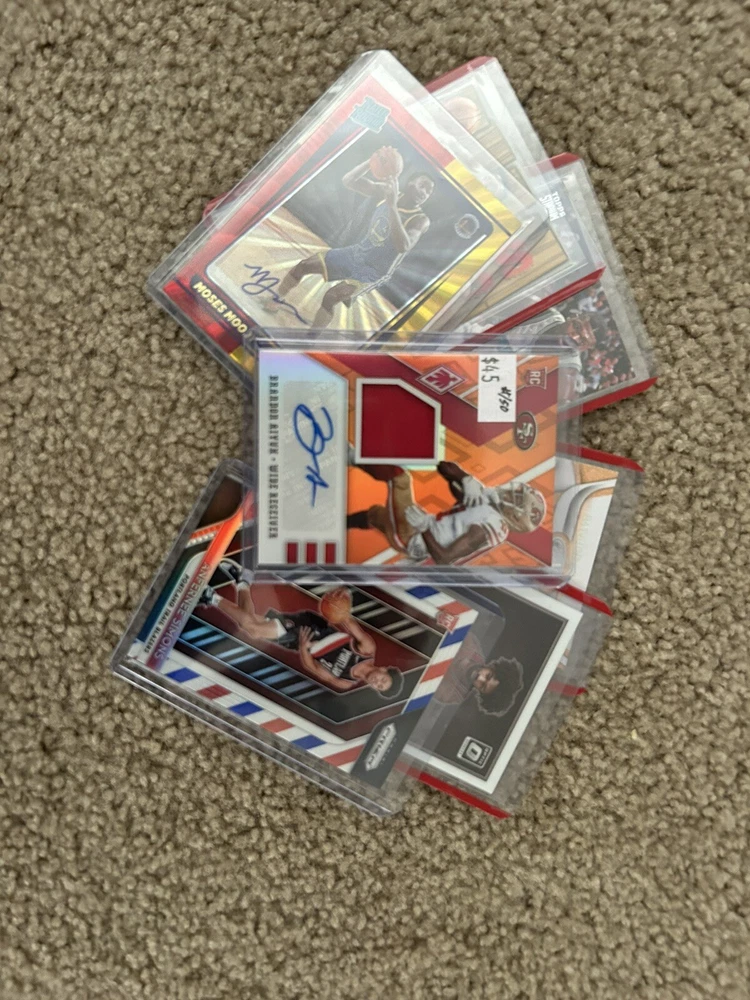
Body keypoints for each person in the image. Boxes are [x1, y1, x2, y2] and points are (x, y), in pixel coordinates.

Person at [267, 154, 434, 327]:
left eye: (429, 191)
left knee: (331, 297)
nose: (425, 193)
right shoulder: (387, 192)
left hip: (374, 270)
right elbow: (349, 181)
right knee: (303, 266)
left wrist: (392, 207)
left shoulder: (420, 219)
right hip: (357, 253)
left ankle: (312, 337)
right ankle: (276, 299)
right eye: (423, 185)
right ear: (410, 182)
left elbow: (403, 246)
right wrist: (370, 162)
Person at [197, 561, 404, 698]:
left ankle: (243, 581)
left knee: (250, 624)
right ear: (384, 669)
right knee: (254, 629)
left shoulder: (346, 683)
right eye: (383, 680)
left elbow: (312, 668)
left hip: (300, 643)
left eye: (379, 687)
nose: (377, 683)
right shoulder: (367, 650)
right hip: (312, 627)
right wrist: (342, 599)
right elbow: (347, 621)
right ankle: (210, 596)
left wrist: (304, 648)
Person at [346, 461, 546, 565]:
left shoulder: (492, 526)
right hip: (422, 528)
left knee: (400, 479)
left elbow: (445, 558)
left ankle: (352, 457)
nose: (510, 493)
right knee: (375, 515)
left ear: (516, 517)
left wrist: (424, 528)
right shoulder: (491, 502)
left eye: (516, 498)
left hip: (415, 538)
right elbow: (444, 467)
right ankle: (339, 524)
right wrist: (466, 478)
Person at [432, 631, 525, 717]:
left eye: (483, 686)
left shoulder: (452, 695)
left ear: (480, 693)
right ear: (492, 667)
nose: (480, 678)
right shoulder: (471, 644)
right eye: (488, 676)